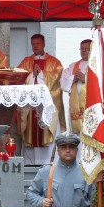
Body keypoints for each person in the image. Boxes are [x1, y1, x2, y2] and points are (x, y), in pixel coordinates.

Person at [17, 34, 65, 165]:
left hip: (46, 106)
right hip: (30, 108)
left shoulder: (54, 62)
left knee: (46, 132)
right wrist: (32, 74)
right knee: (30, 133)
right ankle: (30, 163)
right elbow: (19, 78)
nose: (35, 47)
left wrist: (42, 73)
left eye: (38, 44)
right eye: (33, 44)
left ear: (44, 44)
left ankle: (48, 162)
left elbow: (56, 78)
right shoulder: (26, 62)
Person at [61, 39, 92, 134]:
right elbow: (63, 81)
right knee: (76, 136)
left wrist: (85, 79)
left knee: (89, 133)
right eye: (82, 48)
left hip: (90, 105)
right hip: (75, 107)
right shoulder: (73, 66)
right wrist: (72, 79)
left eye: (86, 48)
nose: (83, 51)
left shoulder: (96, 65)